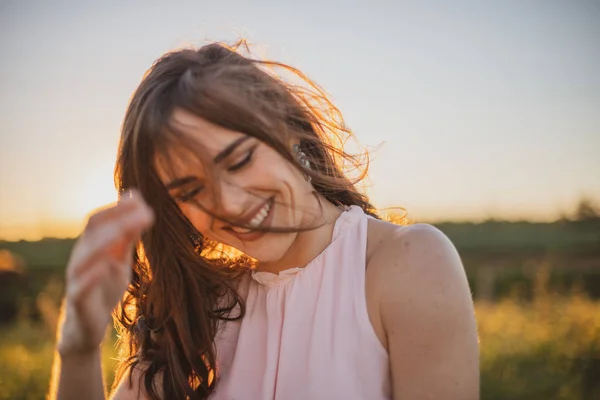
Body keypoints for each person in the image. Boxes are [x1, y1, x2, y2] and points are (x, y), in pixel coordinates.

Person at [50, 41, 479, 400]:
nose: (230, 204)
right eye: (190, 191)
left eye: (239, 161)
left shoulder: (406, 265)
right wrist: (80, 347)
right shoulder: (196, 312)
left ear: (288, 127)